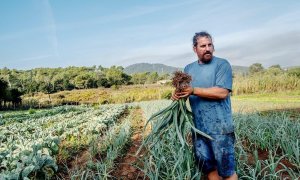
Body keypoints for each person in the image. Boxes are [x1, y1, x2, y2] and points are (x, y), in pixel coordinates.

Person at [172, 31, 238, 180]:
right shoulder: (188, 68)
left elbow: (222, 92)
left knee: (227, 171)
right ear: (195, 49)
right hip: (199, 130)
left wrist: (194, 90)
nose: (207, 48)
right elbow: (184, 91)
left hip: (220, 128)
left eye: (210, 45)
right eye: (203, 46)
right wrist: (177, 95)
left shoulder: (222, 64)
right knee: (209, 169)